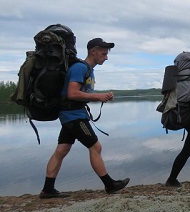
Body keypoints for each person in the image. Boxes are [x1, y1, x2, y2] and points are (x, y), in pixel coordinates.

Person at [39, 38, 130, 198]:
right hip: (73, 116)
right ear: (93, 51)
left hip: (72, 115)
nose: (106, 57)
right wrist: (98, 96)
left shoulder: (88, 69)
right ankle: (110, 185)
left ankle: (47, 189)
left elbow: (82, 92)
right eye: (103, 53)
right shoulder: (80, 68)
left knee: (62, 150)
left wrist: (102, 95)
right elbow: (72, 93)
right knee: (96, 147)